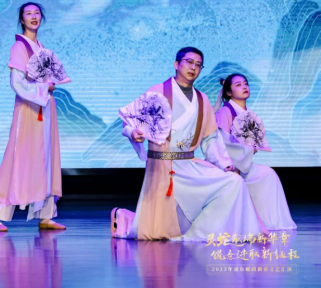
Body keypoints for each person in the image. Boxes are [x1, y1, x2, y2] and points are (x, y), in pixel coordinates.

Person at [111, 47, 267, 241]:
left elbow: (210, 138)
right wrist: (133, 132)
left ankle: (202, 234)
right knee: (155, 232)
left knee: (233, 182)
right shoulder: (158, 91)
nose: (194, 67)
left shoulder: (202, 99)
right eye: (189, 62)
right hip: (162, 165)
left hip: (189, 164)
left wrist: (225, 164)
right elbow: (129, 122)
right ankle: (124, 216)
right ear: (177, 64)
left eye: (198, 65)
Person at [0, 2, 64, 232]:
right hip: (29, 108)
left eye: (37, 13)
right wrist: (43, 89)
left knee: (46, 158)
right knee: (18, 157)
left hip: (45, 108)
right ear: (22, 19)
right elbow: (17, 83)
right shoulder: (19, 47)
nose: (33, 16)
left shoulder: (41, 48)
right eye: (28, 13)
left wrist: (48, 86)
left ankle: (46, 215)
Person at [214, 73, 296, 230]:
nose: (244, 87)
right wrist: (243, 152)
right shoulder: (225, 112)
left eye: (245, 83)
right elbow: (221, 143)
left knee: (269, 174)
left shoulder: (248, 113)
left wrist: (250, 148)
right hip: (227, 164)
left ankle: (270, 222)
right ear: (229, 92)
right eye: (238, 85)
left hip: (243, 163)